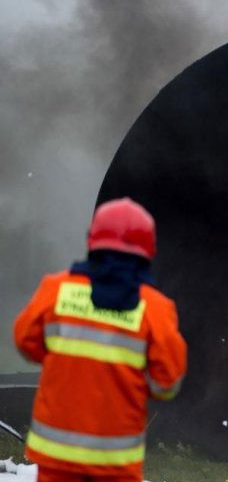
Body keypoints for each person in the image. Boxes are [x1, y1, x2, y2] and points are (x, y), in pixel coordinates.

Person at [13, 197, 187, 482]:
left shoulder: (56, 290)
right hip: (116, 466)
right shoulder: (155, 309)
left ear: (92, 241)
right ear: (148, 251)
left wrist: (66, 360)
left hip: (56, 459)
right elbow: (166, 384)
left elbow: (25, 342)